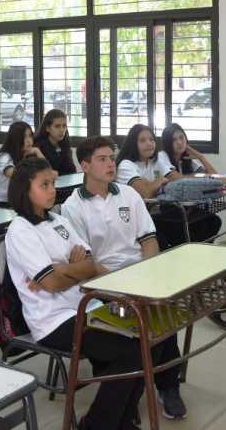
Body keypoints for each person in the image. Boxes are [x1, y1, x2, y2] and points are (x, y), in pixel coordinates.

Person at [5, 157, 178, 428]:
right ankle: (97, 424)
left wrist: (63, 269)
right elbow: (51, 285)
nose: (52, 189)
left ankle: (120, 419)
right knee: (130, 352)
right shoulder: (20, 231)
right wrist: (72, 271)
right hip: (53, 320)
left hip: (85, 305)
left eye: (52, 183)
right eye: (44, 185)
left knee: (150, 339)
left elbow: (91, 263)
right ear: (24, 192)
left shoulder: (58, 221)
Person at [61, 137, 188, 419]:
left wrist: (149, 275)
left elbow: (149, 240)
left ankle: (167, 386)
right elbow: (88, 264)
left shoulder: (128, 195)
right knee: (143, 318)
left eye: (112, 158)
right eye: (102, 159)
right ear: (85, 165)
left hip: (137, 273)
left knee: (162, 309)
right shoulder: (73, 207)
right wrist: (121, 284)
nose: (111, 164)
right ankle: (129, 392)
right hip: (101, 283)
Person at [117, 124, 221, 246]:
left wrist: (201, 157)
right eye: (143, 140)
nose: (149, 143)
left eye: (151, 140)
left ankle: (196, 257)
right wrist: (159, 182)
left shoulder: (154, 161)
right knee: (187, 231)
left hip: (157, 213)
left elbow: (214, 178)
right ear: (133, 143)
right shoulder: (126, 165)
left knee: (211, 221)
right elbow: (146, 192)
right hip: (135, 219)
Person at [0, 121, 43, 207]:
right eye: (23, 137)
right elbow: (18, 176)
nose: (28, 140)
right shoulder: (3, 157)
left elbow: (47, 172)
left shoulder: (25, 155)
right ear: (15, 139)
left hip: (14, 201)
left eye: (30, 136)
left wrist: (38, 152)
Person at [34, 109, 77, 174]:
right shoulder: (39, 147)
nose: (62, 130)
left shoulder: (64, 145)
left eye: (64, 126)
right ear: (47, 128)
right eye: (57, 126)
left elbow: (73, 171)